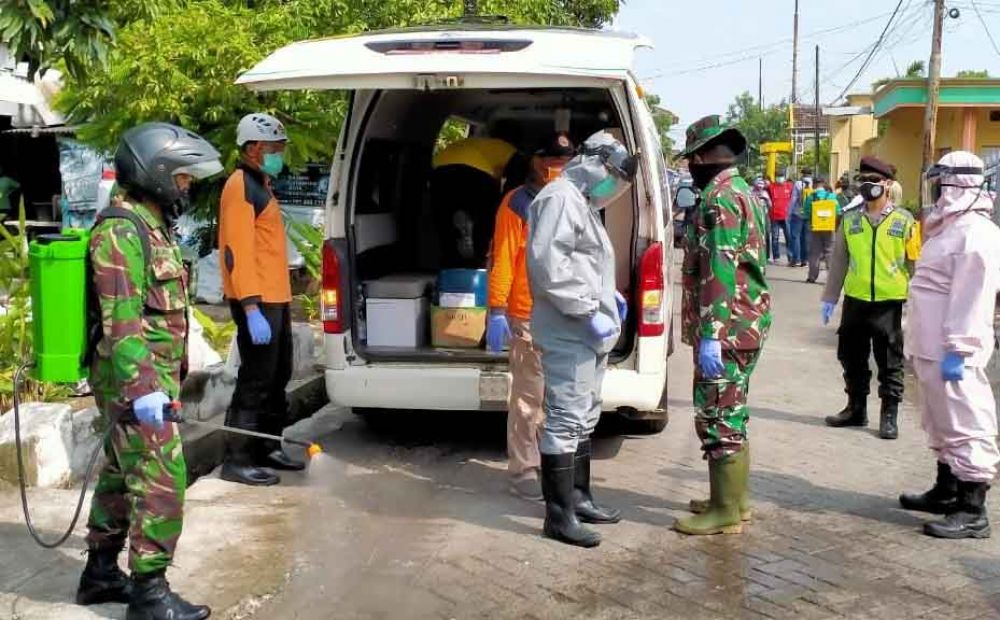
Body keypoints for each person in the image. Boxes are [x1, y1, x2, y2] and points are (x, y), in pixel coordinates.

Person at [79, 122, 222, 620]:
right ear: (156, 172)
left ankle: (99, 574)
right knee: (162, 478)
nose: (187, 186)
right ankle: (148, 594)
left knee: (122, 473)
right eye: (181, 178)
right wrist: (143, 389)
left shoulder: (148, 222)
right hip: (133, 381)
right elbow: (123, 322)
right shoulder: (122, 231)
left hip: (147, 380)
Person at [526, 130, 635, 548]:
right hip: (569, 328)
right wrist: (589, 311)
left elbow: (586, 264)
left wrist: (611, 301)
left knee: (586, 413)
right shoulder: (559, 199)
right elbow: (548, 266)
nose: (615, 188)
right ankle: (558, 517)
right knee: (565, 418)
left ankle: (579, 497)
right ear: (592, 163)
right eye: (613, 176)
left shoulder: (582, 203)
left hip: (587, 327)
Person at [674, 115, 772, 536]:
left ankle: (726, 511)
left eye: (691, 160)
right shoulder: (741, 191)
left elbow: (720, 269)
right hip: (744, 324)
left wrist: (711, 334)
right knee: (732, 410)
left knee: (718, 414)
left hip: (728, 330)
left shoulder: (719, 199)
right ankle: (732, 500)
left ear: (700, 157)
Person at [900, 151, 1000, 539]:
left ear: (958, 183)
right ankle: (947, 490)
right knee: (940, 422)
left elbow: (971, 299)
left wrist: (959, 349)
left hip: (953, 350)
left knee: (966, 423)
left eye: (942, 182)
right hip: (929, 347)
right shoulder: (948, 228)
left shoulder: (977, 234)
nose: (937, 190)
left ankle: (973, 509)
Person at [486, 133, 575, 501]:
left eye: (564, 158)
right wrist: (495, 309)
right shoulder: (517, 204)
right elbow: (504, 258)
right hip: (526, 315)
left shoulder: (572, 199)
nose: (559, 165)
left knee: (560, 398)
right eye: (553, 158)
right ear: (537, 162)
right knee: (528, 398)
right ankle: (523, 469)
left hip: (564, 312)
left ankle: (553, 465)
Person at [218, 112, 302, 486]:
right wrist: (250, 306)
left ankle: (268, 445)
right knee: (255, 379)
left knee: (278, 374)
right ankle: (237, 459)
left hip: (275, 297)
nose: (279, 154)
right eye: (274, 148)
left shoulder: (261, 183)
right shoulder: (240, 186)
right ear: (253, 148)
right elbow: (237, 250)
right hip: (257, 301)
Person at [821, 156, 917, 440]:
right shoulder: (850, 220)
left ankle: (889, 415)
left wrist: (918, 303)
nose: (867, 186)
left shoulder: (905, 221)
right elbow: (838, 262)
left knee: (890, 361)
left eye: (873, 181)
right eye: (862, 181)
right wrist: (830, 297)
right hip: (856, 300)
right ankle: (856, 408)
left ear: (887, 185)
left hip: (889, 303)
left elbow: (915, 264)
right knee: (851, 356)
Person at [804, 179, 840, 283]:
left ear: (815, 185)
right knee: (830, 252)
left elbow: (806, 212)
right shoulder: (832, 197)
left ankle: (812, 277)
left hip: (816, 228)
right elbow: (838, 211)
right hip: (829, 227)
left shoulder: (811, 197)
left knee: (814, 253)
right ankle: (831, 278)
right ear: (824, 185)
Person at [787, 172, 812, 267]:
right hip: (808, 214)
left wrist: (789, 213)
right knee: (805, 238)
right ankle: (804, 260)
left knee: (795, 236)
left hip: (797, 214)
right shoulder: (813, 183)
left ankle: (796, 259)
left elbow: (793, 199)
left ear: (802, 174)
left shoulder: (798, 183)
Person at [766, 174, 793, 262]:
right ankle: (776, 257)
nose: (780, 178)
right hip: (774, 216)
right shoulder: (771, 187)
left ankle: (790, 256)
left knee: (789, 237)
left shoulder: (789, 186)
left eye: (781, 176)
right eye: (778, 176)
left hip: (786, 216)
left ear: (784, 178)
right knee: (775, 237)